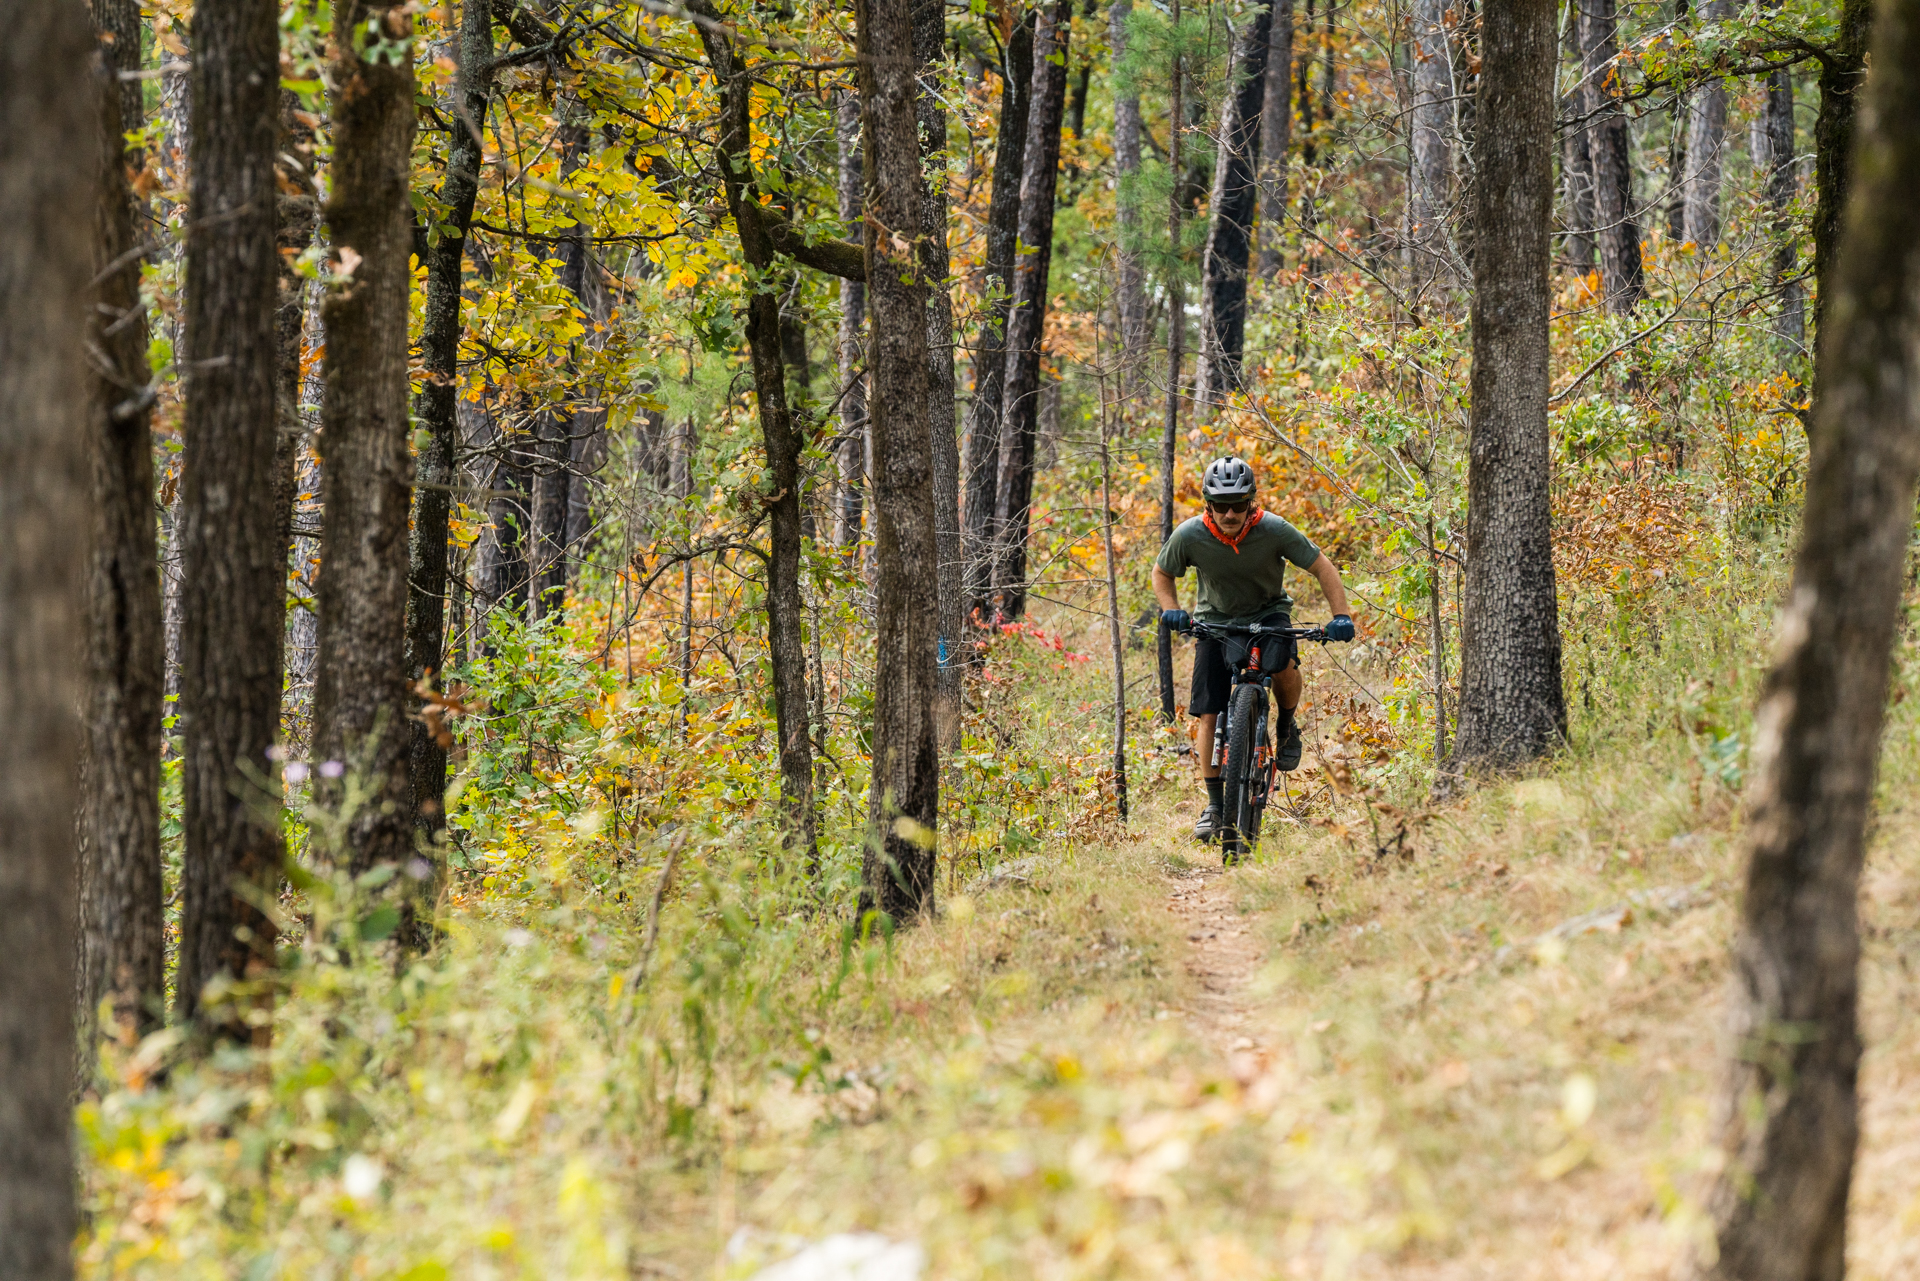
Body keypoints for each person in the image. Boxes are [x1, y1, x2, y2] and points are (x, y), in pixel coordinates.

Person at [1151, 455, 1355, 841]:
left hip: (1269, 614)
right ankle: (1214, 805)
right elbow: (1163, 573)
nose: (1230, 513)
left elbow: (1321, 566)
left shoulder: (1275, 529)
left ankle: (1285, 723)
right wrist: (1172, 610)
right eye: (1221, 505)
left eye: (1239, 504)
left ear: (1251, 502)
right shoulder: (1190, 535)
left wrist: (1340, 616)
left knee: (1283, 665)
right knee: (1209, 712)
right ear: (1208, 505)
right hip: (1214, 622)